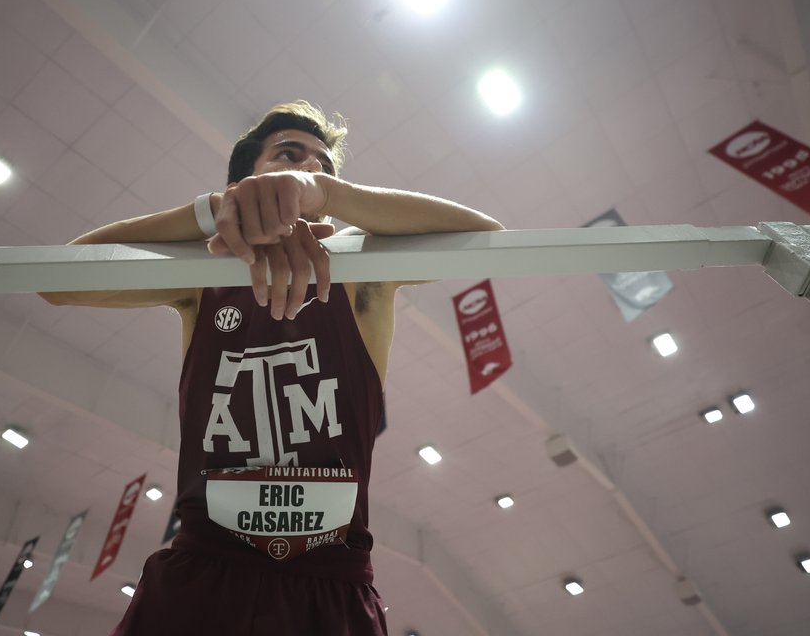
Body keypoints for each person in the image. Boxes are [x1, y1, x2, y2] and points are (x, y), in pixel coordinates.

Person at [40, 101, 503, 635]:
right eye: (289, 155)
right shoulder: (205, 276)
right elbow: (57, 282)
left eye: (323, 166)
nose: (308, 168)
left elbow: (486, 240)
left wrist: (325, 193)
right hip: (202, 571)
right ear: (245, 182)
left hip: (329, 579)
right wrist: (212, 211)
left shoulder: (362, 268)